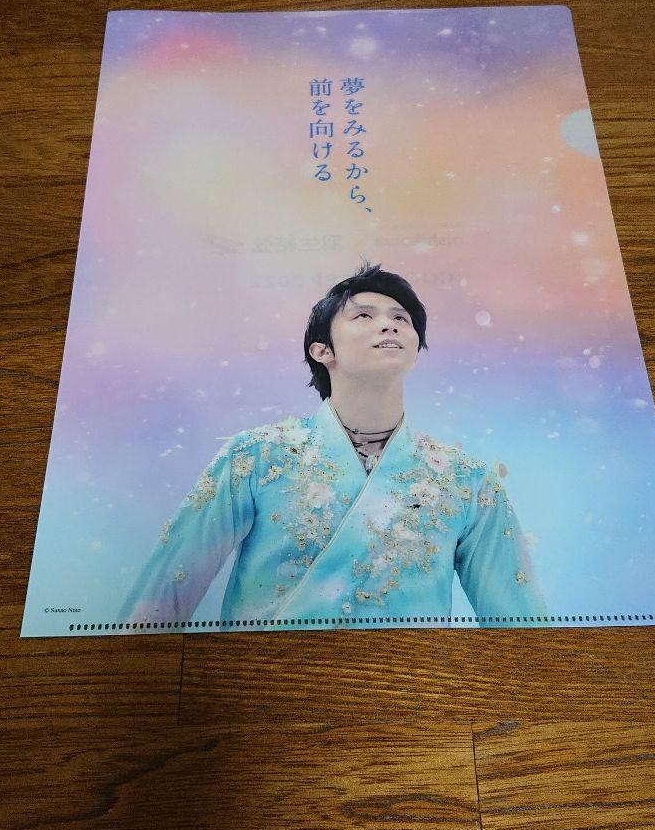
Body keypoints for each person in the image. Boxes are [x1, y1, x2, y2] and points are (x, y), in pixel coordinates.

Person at [123, 260, 547, 628]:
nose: (390, 324)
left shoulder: (468, 481)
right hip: (265, 686)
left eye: (402, 319)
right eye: (363, 315)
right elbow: (162, 600)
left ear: (416, 346)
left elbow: (521, 626)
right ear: (322, 350)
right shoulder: (254, 457)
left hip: (411, 687)